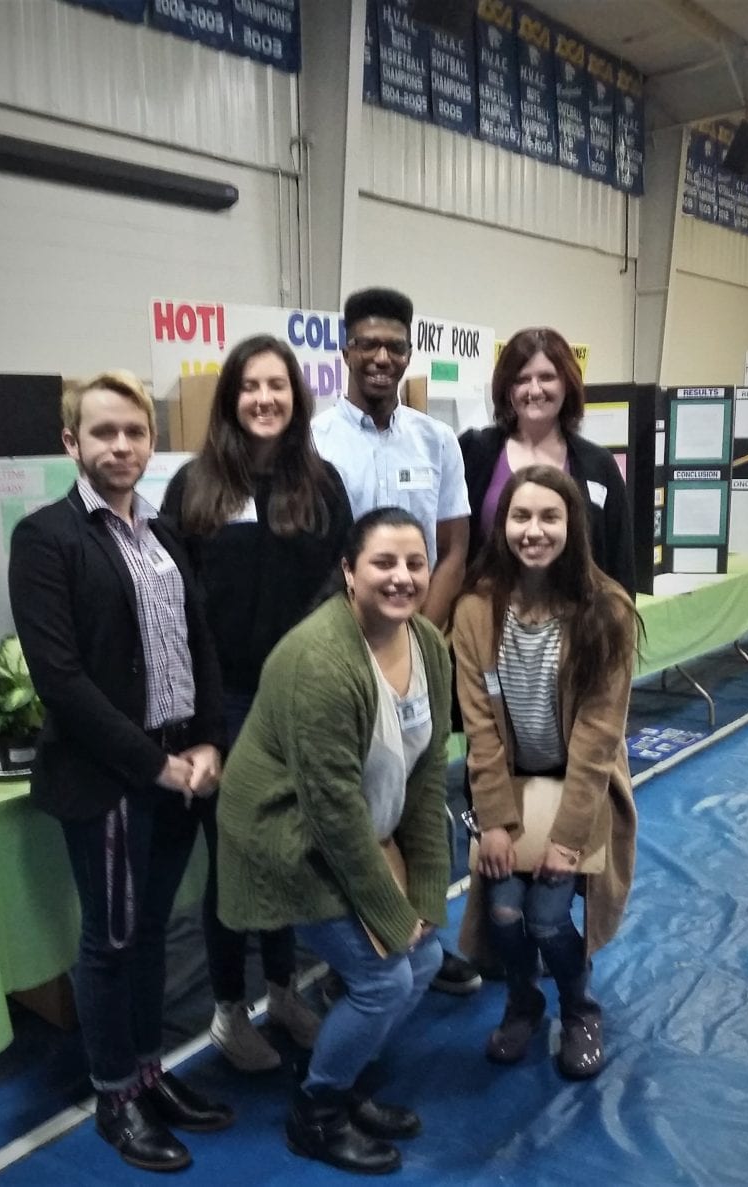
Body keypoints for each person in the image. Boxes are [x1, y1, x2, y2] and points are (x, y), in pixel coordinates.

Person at [8, 371, 233, 1173]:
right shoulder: (46, 538)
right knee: (110, 939)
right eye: (102, 432)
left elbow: (199, 642)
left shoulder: (163, 534)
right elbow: (62, 680)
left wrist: (208, 742)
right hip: (111, 776)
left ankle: (148, 1072)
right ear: (72, 441)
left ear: (151, 440)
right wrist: (155, 765)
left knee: (151, 935)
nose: (120, 446)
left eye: (134, 432)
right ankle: (114, 1095)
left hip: (179, 767)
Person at [217, 508, 452, 1173]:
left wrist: (426, 894)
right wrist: (392, 913)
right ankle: (315, 1113)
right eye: (383, 562)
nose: (402, 576)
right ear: (349, 572)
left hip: (360, 826)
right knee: (383, 979)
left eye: (415, 563)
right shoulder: (319, 659)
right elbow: (332, 813)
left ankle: (342, 1076)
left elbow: (429, 773)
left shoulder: (428, 644)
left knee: (427, 958)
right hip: (286, 835)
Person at [161, 334, 353, 1072]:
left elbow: (339, 587)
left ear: (296, 398)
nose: (265, 398)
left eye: (278, 385)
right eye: (250, 386)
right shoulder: (195, 487)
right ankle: (227, 1012)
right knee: (235, 859)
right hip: (224, 706)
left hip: (298, 703)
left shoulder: (321, 486)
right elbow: (175, 605)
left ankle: (283, 992)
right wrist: (198, 719)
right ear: (231, 399)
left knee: (285, 852)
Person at [312, 285, 478, 996]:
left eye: (395, 346)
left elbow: (454, 547)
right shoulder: (314, 441)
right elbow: (307, 557)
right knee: (351, 804)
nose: (381, 357)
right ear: (345, 350)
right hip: (341, 655)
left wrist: (419, 639)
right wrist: (354, 650)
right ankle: (353, 960)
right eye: (368, 344)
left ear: (409, 354)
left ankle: (424, 935)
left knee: (419, 795)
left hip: (415, 652)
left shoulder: (436, 440)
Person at [452, 465, 638, 1079]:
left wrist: (567, 837)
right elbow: (480, 726)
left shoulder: (605, 610)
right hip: (511, 789)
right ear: (502, 524)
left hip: (578, 787)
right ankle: (523, 1001)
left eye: (549, 517)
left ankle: (579, 1007)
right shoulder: (476, 610)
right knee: (504, 914)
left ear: (572, 525)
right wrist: (495, 821)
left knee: (547, 917)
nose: (534, 530)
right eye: (521, 516)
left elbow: (598, 738)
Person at [458, 326, 636, 597]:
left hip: (577, 616)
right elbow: (451, 547)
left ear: (567, 384)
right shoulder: (474, 452)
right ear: (507, 388)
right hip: (488, 613)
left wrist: (620, 618)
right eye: (521, 379)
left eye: (547, 377)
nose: (534, 390)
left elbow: (620, 561)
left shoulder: (599, 465)